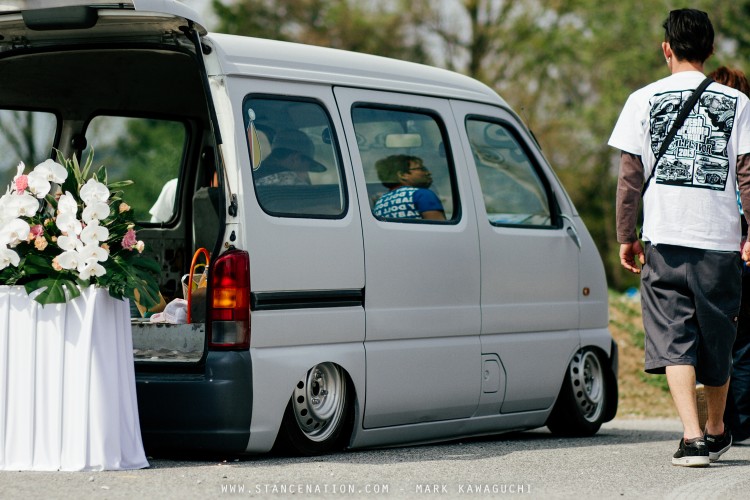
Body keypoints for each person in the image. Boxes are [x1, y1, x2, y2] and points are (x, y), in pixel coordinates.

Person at [609, 9, 750, 467]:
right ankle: (714, 428)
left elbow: (630, 178)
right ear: (710, 51)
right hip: (721, 241)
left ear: (666, 48)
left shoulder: (641, 99)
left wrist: (625, 236)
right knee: (719, 337)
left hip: (664, 239)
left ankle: (692, 439)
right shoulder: (739, 103)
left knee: (673, 339)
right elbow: (747, 175)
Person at [708, 66, 750, 444]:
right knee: (744, 341)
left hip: (718, 247)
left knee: (721, 339)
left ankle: (724, 423)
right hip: (740, 245)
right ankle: (739, 423)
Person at [372, 154, 445, 220]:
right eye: (422, 169)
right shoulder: (422, 195)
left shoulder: (380, 202)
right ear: (403, 175)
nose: (428, 173)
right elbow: (440, 229)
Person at [253, 129, 326, 186]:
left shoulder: (251, 176)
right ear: (295, 158)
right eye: (305, 168)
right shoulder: (294, 184)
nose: (306, 174)